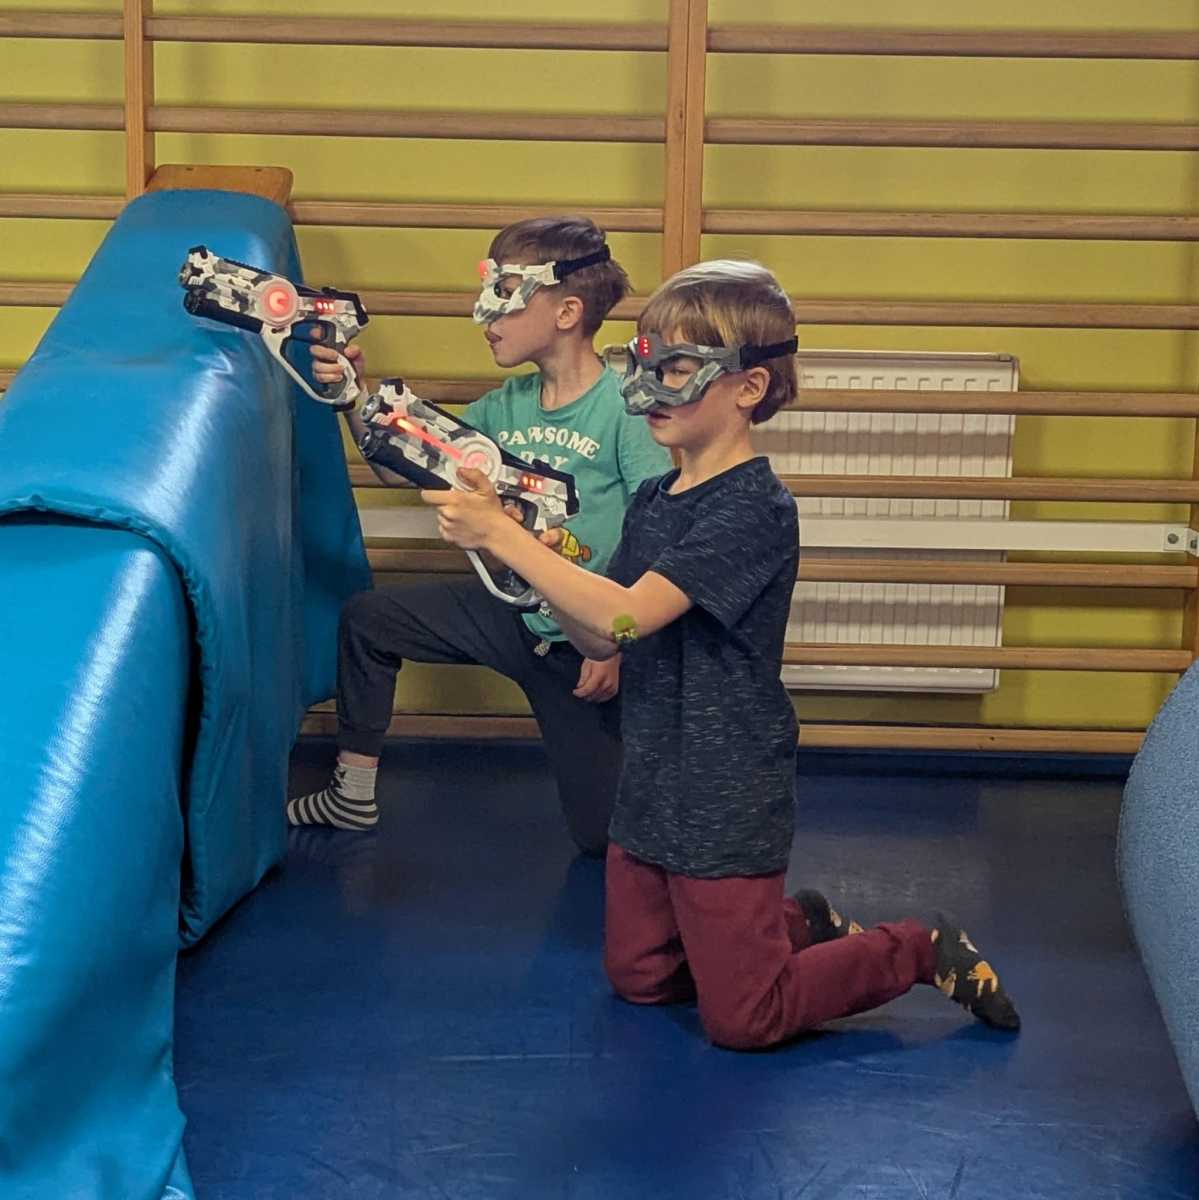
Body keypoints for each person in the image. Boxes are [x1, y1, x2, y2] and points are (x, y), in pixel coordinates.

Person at [422, 258, 1020, 1048]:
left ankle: (914, 947)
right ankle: (798, 925)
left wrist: (504, 536)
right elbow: (599, 636)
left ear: (748, 386)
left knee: (744, 1020)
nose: (650, 388)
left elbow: (628, 616)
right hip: (651, 773)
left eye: (676, 369)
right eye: (645, 363)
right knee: (640, 977)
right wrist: (516, 555)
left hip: (723, 784)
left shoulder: (753, 509)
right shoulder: (652, 498)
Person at [288, 216, 671, 855]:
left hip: (582, 640)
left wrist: (616, 643)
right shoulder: (503, 406)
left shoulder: (622, 412)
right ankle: (351, 792)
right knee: (369, 619)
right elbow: (398, 465)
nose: (484, 312)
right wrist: (355, 397)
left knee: (601, 841)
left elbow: (655, 530)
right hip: (511, 613)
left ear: (566, 312)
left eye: (506, 292)